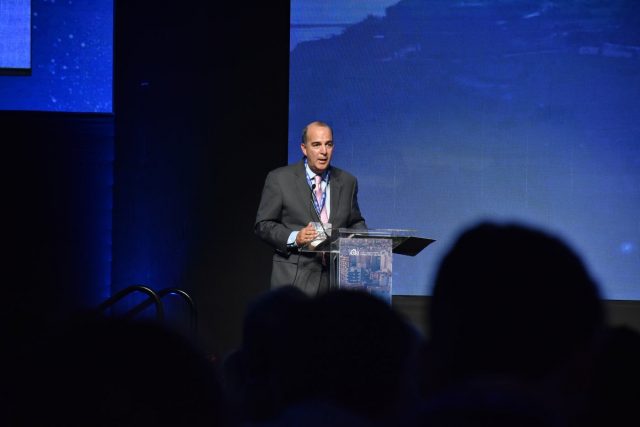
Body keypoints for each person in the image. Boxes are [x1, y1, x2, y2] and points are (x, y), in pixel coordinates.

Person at [254, 120, 367, 295]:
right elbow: (263, 225)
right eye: (316, 145)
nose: (324, 151)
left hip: (334, 282)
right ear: (304, 148)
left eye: (328, 144)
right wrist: (295, 237)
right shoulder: (280, 179)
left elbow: (355, 221)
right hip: (294, 282)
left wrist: (366, 241)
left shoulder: (347, 181)